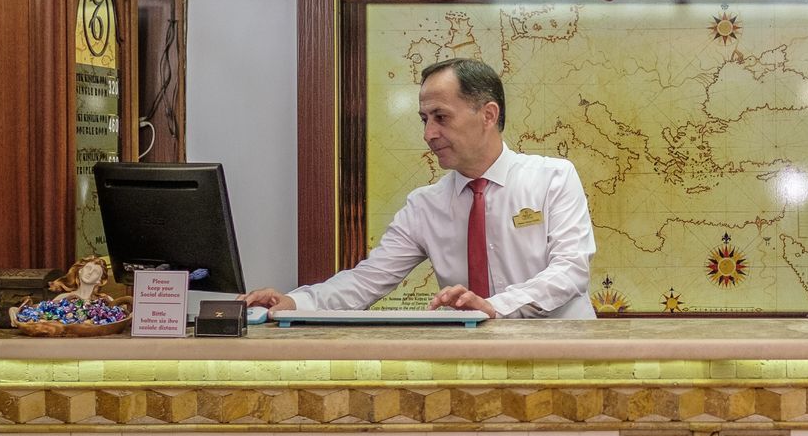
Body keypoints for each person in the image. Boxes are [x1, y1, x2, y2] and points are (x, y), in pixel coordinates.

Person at [244, 58, 597, 319]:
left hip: (563, 357)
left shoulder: (553, 177)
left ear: (488, 115)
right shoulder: (425, 205)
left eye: (441, 117)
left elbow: (570, 270)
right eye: (424, 119)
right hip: (473, 366)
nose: (428, 134)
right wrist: (294, 303)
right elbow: (368, 280)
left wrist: (494, 307)